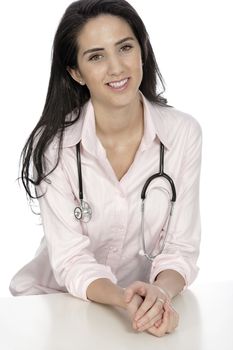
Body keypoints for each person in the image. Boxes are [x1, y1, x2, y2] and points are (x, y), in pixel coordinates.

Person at [10, 0, 202, 337]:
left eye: (125, 47)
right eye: (96, 56)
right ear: (75, 72)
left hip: (139, 309)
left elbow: (179, 250)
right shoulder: (55, 145)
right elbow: (71, 260)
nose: (116, 68)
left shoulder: (183, 134)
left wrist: (159, 294)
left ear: (141, 50)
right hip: (55, 303)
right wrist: (127, 298)